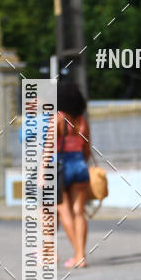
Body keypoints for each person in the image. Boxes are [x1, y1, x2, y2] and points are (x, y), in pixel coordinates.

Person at [55, 81, 91, 268]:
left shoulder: (58, 118)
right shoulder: (82, 121)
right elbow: (87, 150)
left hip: (60, 165)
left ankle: (77, 254)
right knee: (79, 212)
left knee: (64, 211)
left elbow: (48, 148)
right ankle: (82, 255)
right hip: (79, 165)